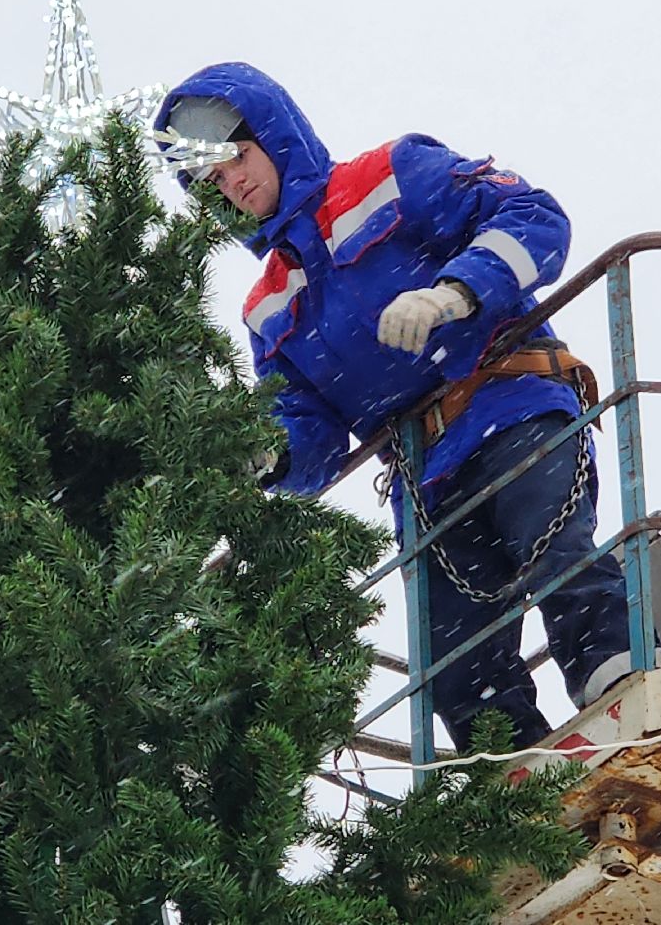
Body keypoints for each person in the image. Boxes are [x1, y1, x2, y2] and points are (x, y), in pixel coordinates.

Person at [156, 63, 634, 752]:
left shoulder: (387, 177)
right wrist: (269, 450)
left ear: (272, 134)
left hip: (508, 402)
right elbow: (312, 433)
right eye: (213, 182)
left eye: (237, 155)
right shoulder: (268, 307)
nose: (233, 182)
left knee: (552, 545)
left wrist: (456, 292)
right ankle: (515, 777)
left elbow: (532, 217)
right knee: (454, 657)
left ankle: (618, 694)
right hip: (423, 475)